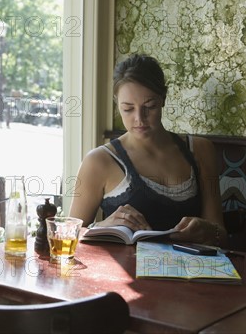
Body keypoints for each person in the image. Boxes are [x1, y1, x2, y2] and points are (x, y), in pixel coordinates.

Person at [69, 54, 226, 246]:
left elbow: (221, 235)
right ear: (117, 104)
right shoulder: (99, 161)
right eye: (128, 109)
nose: (139, 119)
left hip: (188, 272)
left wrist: (208, 230)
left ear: (163, 99)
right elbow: (68, 235)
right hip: (125, 274)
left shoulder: (200, 150)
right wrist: (102, 226)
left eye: (149, 107)